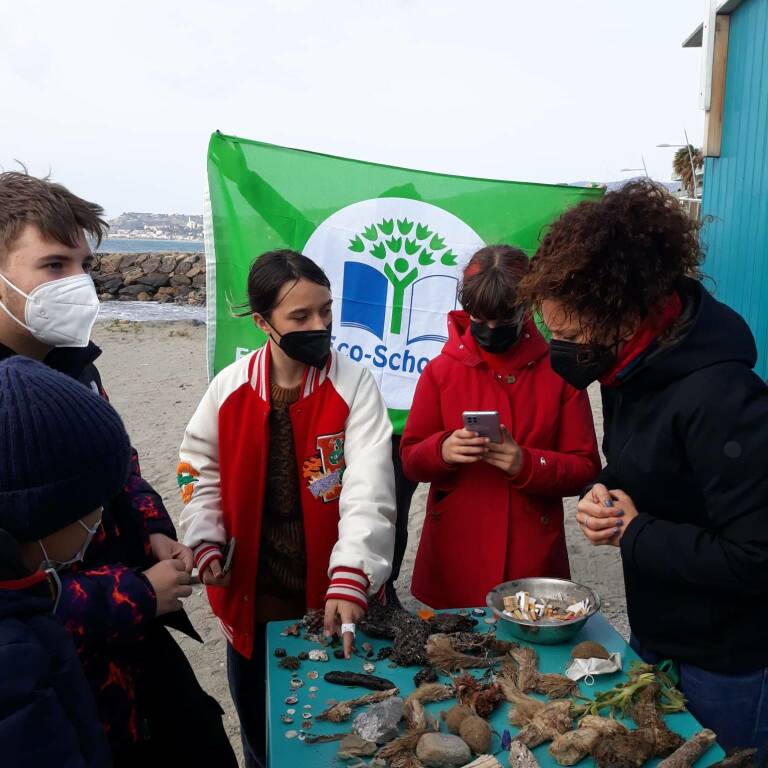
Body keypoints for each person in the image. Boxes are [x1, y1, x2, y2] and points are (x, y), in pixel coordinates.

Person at [519, 180, 768, 756]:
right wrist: (603, 494)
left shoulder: (723, 397)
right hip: (661, 634)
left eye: (569, 335)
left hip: (729, 661)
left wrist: (635, 531)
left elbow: (757, 556)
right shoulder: (630, 369)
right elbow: (642, 468)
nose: (558, 349)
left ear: (624, 317)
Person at [0, 171, 236, 766]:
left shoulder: (76, 366)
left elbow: (120, 465)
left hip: (134, 643)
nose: (79, 284)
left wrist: (152, 527)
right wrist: (131, 594)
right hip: (54, 668)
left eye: (85, 265)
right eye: (54, 266)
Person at [179, 248, 396, 767]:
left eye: (325, 311)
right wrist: (205, 536)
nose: (319, 325)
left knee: (346, 729)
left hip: (335, 591)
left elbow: (369, 485)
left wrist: (352, 574)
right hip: (253, 595)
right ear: (262, 322)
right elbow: (196, 465)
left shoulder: (354, 385)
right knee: (263, 735)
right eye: (300, 317)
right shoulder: (228, 389)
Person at [400, 245, 601, 609]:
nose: (490, 330)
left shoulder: (559, 373)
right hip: (456, 548)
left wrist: (526, 463)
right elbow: (411, 460)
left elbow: (585, 468)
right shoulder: (441, 372)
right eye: (480, 319)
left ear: (527, 308)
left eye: (503, 320)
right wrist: (442, 449)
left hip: (529, 549)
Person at [0, 356, 131, 768]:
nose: (100, 520)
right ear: (45, 515)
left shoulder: (21, 596)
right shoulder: (13, 658)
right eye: (95, 506)